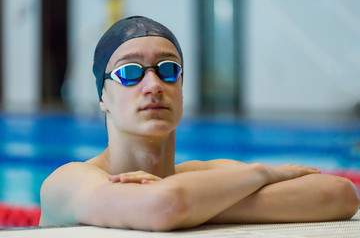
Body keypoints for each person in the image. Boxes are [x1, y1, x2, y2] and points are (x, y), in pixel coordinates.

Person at [39, 16, 360, 231]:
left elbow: (340, 194)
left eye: (168, 69)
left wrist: (195, 203)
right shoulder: (68, 181)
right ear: (103, 98)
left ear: (181, 88)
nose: (153, 85)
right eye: (129, 72)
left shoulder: (202, 176)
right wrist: (263, 173)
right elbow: (165, 206)